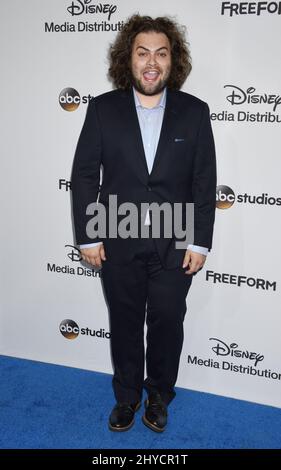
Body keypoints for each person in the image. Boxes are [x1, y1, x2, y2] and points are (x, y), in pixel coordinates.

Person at [71, 14, 217, 433]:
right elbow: (84, 176)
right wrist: (89, 235)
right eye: (142, 53)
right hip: (117, 236)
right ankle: (127, 397)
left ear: (174, 60)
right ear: (128, 59)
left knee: (168, 320)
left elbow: (204, 181)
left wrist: (200, 242)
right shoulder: (102, 109)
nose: (151, 62)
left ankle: (158, 396)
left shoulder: (195, 112)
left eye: (161, 53)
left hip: (175, 240)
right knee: (125, 320)